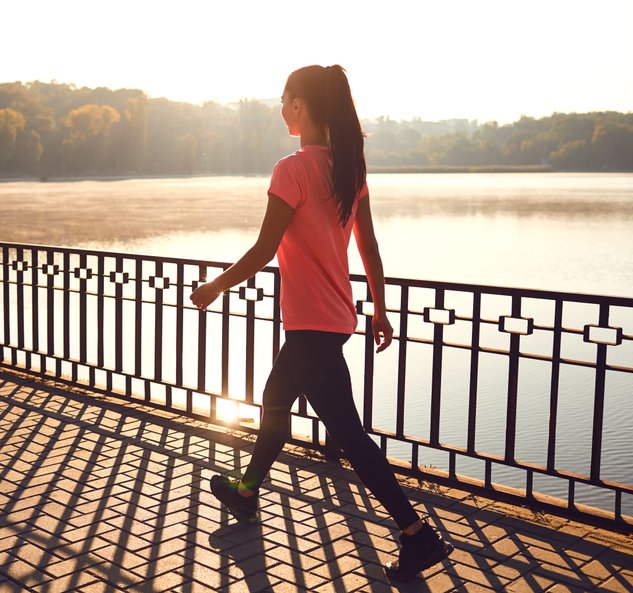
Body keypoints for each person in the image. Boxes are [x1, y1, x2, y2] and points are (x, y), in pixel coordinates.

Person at [190, 65, 452, 581]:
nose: (280, 107)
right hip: (332, 319)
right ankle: (246, 493)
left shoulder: (292, 169)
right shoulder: (349, 170)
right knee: (274, 400)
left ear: (302, 106)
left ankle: (416, 534)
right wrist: (379, 306)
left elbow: (266, 249)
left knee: (349, 436)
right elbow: (369, 247)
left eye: (285, 99)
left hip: (311, 324)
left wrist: (214, 287)